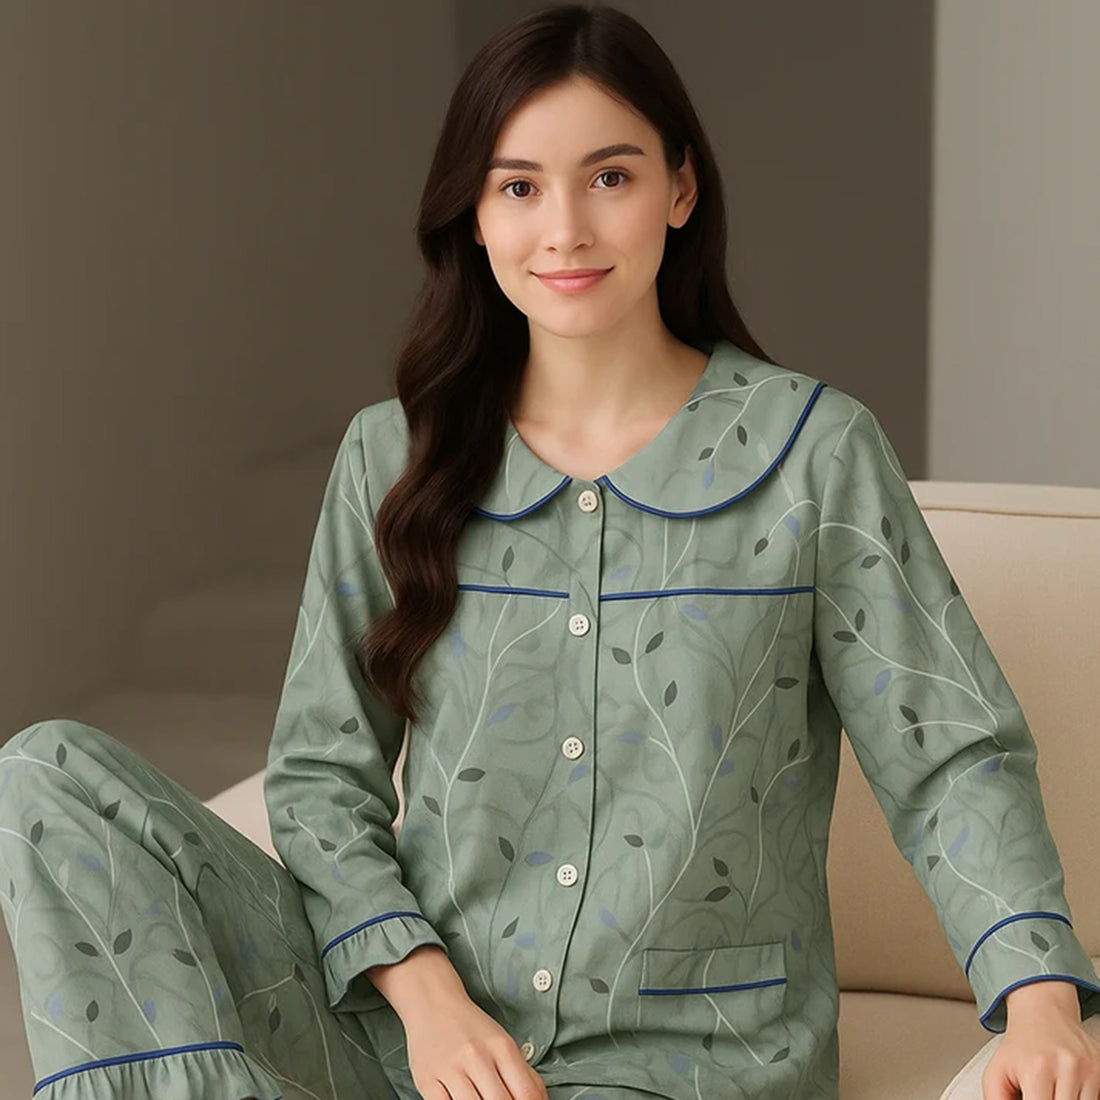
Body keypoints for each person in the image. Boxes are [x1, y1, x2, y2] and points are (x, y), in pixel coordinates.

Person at [3, 5, 1100, 1100]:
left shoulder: (812, 454)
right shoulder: (393, 456)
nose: (564, 229)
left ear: (680, 189)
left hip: (679, 1065)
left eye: (609, 177)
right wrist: (430, 1005)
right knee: (48, 776)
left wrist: (1041, 1005)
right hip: (410, 1036)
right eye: (519, 187)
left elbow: (947, 750)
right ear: (475, 218)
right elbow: (320, 777)